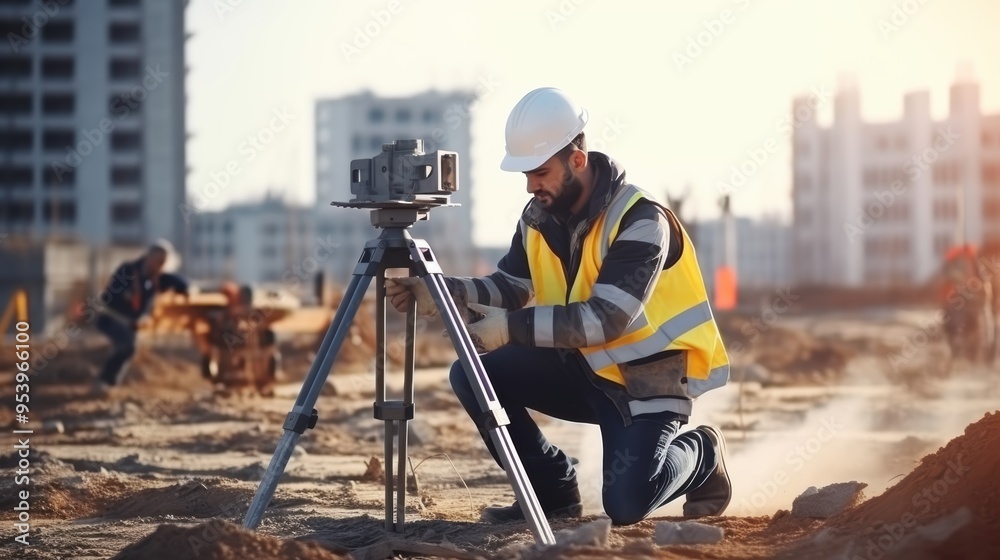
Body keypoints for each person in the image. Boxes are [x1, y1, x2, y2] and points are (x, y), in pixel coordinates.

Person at [385, 88, 732, 526]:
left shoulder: (642, 221)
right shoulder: (538, 219)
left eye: (541, 172)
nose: (532, 185)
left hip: (647, 382)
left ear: (577, 161)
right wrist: (441, 291)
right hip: (582, 371)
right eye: (526, 174)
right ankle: (553, 491)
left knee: (626, 506)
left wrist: (510, 328)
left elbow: (605, 319)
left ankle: (703, 452)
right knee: (472, 375)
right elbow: (509, 286)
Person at [94, 240, 189, 392]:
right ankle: (104, 381)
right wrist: (128, 294)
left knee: (128, 348)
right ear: (148, 256)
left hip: (129, 324)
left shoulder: (157, 278)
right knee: (127, 345)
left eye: (162, 262)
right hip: (109, 318)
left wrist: (184, 290)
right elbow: (112, 293)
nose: (158, 265)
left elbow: (181, 283)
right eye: (157, 260)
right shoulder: (128, 270)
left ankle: (109, 382)